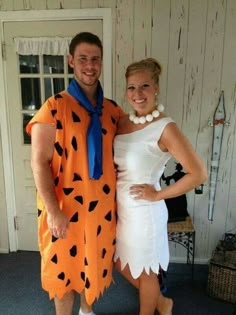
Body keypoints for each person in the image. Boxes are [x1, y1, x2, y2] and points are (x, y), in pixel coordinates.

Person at [26, 32, 124, 315]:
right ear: (71, 61)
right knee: (64, 271)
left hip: (101, 209)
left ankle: (87, 311)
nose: (90, 65)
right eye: (83, 58)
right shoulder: (53, 107)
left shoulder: (112, 110)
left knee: (93, 264)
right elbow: (39, 163)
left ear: (101, 63)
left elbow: (137, 140)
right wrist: (54, 210)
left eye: (95, 59)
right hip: (64, 208)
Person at [113, 58, 207, 315]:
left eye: (144, 86)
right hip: (123, 211)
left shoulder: (165, 128)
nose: (137, 94)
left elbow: (198, 173)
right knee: (120, 262)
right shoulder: (122, 122)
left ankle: (155, 309)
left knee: (147, 272)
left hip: (145, 214)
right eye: (131, 88)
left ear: (156, 88)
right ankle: (162, 303)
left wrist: (158, 195)